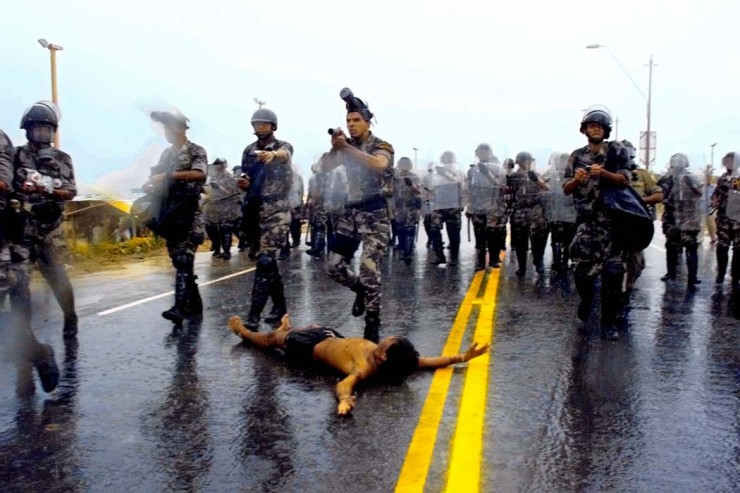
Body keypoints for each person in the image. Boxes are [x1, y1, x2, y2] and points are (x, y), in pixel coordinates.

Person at [228, 314, 489, 415]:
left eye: (386, 343)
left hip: (309, 348)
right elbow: (430, 361)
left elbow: (345, 384)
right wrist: (462, 357)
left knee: (274, 340)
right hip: (330, 335)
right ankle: (287, 329)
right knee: (314, 325)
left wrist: (344, 400)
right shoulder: (403, 360)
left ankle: (246, 333)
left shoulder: (364, 368)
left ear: (384, 357)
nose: (384, 340)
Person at [319, 88, 394, 342]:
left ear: (367, 121)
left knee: (369, 271)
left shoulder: (381, 146)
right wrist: (335, 149)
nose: (351, 125)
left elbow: (379, 164)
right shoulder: (344, 146)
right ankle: (359, 289)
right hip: (350, 216)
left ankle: (372, 324)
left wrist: (347, 150)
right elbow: (324, 167)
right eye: (348, 121)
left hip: (375, 217)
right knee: (333, 267)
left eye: (356, 121)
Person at [9, 101, 79, 342]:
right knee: (18, 282)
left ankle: (71, 318)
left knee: (59, 279)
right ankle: (23, 335)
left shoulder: (62, 159)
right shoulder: (16, 155)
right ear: (28, 130)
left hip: (50, 229)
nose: (42, 134)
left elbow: (70, 191)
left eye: (47, 130)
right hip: (22, 229)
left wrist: (47, 189)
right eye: (37, 129)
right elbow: (7, 184)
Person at [563, 104, 631, 340]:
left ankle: (608, 321)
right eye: (592, 126)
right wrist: (577, 179)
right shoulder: (577, 156)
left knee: (613, 274)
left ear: (606, 130)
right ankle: (586, 301)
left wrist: (604, 174)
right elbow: (565, 189)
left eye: (600, 126)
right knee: (582, 273)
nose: (596, 130)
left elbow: (625, 180)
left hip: (613, 224)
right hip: (587, 223)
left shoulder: (616, 151)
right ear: (585, 130)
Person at [143, 108, 207, 325]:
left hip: (190, 213)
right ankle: (195, 303)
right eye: (165, 128)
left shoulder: (196, 150)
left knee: (183, 258)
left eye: (171, 127)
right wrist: (150, 184)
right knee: (180, 263)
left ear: (181, 129)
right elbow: (156, 177)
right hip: (171, 213)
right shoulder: (167, 154)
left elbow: (200, 174)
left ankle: (179, 308)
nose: (168, 132)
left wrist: (170, 176)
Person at [238, 107, 294, 330]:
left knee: (265, 261)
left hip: (278, 211)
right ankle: (280, 307)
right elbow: (245, 174)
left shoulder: (282, 146)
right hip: (254, 210)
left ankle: (253, 316)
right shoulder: (248, 150)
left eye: (264, 124)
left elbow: (285, 155)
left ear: (273, 126)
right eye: (256, 124)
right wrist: (242, 182)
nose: (259, 127)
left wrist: (273, 155)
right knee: (268, 264)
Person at [622, 141, 662, 291]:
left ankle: (629, 284)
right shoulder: (608, 171)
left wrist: (638, 201)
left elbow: (658, 195)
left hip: (635, 223)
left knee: (635, 258)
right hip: (614, 221)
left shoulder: (642, 174)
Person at [507, 151, 550, 276]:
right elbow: (508, 193)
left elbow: (546, 189)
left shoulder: (535, 174)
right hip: (520, 211)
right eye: (526, 161)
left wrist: (536, 180)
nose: (528, 163)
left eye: (529, 161)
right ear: (519, 162)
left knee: (538, 240)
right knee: (521, 242)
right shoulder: (513, 177)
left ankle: (538, 261)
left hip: (535, 211)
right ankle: (522, 266)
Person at [467, 143, 506, 271]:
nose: (482, 154)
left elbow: (500, 185)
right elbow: (469, 190)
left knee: (493, 236)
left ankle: (494, 259)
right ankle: (480, 262)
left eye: (485, 151)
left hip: (493, 207)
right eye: (480, 151)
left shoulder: (498, 169)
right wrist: (469, 207)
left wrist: (487, 173)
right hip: (478, 208)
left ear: (490, 152)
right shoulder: (472, 170)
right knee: (479, 237)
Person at [542, 152, 577, 272]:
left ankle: (564, 260)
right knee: (557, 239)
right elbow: (542, 188)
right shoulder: (550, 175)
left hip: (570, 213)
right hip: (557, 212)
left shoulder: (574, 175)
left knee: (568, 239)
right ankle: (558, 261)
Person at [428, 151, 465, 266]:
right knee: (434, 230)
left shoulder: (458, 171)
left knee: (454, 233)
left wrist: (462, 204)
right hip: (439, 206)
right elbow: (431, 188)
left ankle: (454, 258)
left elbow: (460, 184)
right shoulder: (436, 172)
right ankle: (440, 256)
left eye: (449, 157)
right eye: (444, 157)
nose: (447, 159)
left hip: (453, 206)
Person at [711, 152, 740, 289]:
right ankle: (720, 274)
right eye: (726, 161)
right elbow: (716, 193)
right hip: (723, 218)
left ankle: (735, 277)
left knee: (738, 249)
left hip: (737, 219)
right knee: (722, 246)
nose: (727, 164)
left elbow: (736, 195)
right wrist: (715, 200)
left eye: (730, 161)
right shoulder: (722, 178)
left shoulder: (738, 177)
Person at [204, 158, 240, 259]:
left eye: (219, 164)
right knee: (211, 227)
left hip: (227, 205)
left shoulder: (230, 177)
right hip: (214, 205)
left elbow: (233, 193)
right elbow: (209, 191)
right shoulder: (213, 177)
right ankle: (216, 247)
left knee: (226, 229)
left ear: (224, 165)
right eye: (216, 165)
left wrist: (220, 188)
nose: (217, 167)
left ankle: (226, 251)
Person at [392, 157, 423, 264]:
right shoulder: (395, 177)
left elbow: (419, 191)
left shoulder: (414, 177)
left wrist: (411, 185)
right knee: (400, 228)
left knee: (409, 228)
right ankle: (402, 246)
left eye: (406, 164)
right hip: (399, 206)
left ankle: (408, 252)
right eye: (402, 163)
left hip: (410, 206)